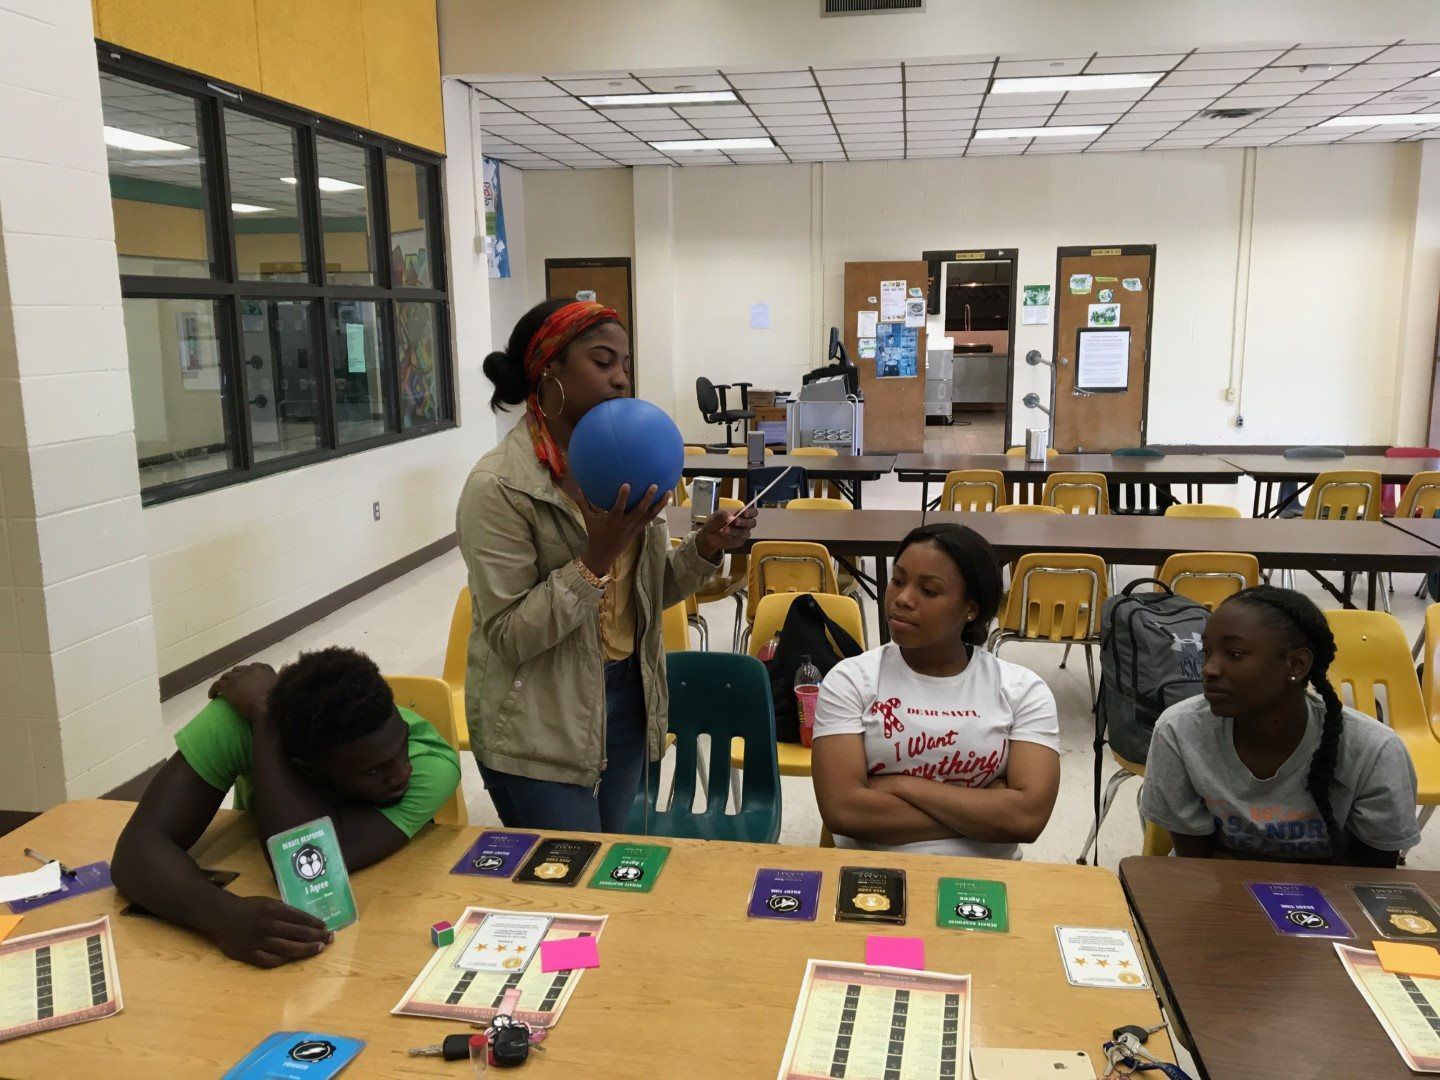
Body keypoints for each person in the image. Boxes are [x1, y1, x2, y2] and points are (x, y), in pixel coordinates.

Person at [458, 299, 756, 833]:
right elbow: (508, 636)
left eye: (625, 363)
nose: (621, 379)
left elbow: (651, 590)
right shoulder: (499, 486)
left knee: (613, 873)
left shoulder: (630, 457)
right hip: (538, 723)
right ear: (550, 367)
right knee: (568, 889)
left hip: (630, 696)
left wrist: (706, 547)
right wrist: (596, 555)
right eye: (603, 361)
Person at [112, 647, 461, 967]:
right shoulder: (241, 719)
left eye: (401, 742)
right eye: (372, 770)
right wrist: (221, 915)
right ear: (308, 769)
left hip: (384, 928)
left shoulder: (431, 762)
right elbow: (137, 849)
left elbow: (310, 868)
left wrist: (265, 720)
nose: (402, 772)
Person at [811, 523, 1061, 859]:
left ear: (970, 608)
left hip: (990, 879)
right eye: (897, 581)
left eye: (928, 591)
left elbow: (1026, 819)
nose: (902, 599)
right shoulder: (851, 680)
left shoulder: (1022, 690)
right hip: (874, 872)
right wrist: (986, 809)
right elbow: (844, 812)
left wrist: (900, 785)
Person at [1140, 585, 1420, 866]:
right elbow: (1198, 867)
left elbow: (1373, 881)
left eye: (1234, 654)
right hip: (1219, 892)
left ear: (1296, 664)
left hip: (1333, 901)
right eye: (1207, 652)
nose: (1209, 669)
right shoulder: (1179, 731)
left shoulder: (1374, 751)